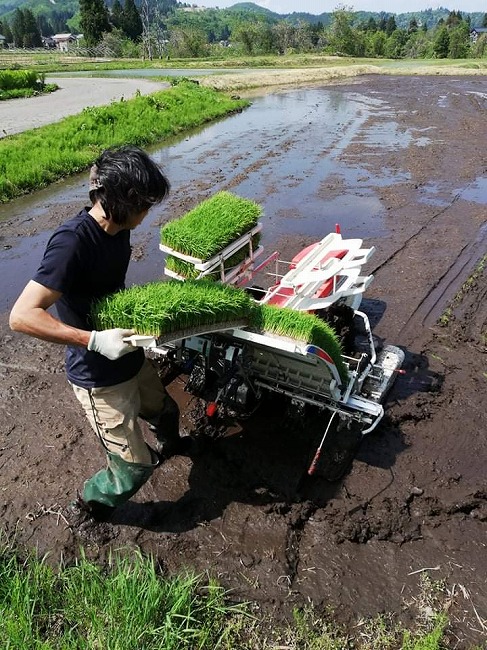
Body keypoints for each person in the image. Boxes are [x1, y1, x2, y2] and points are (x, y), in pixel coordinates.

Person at [9, 145, 190, 531]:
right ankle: (89, 507)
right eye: (144, 205)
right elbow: (22, 317)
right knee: (133, 470)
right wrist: (93, 340)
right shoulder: (73, 241)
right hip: (98, 376)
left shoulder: (120, 227)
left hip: (128, 357)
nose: (147, 214)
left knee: (165, 411)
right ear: (121, 199)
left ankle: (173, 447)